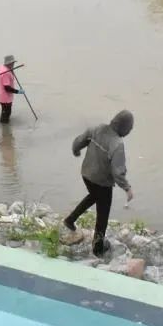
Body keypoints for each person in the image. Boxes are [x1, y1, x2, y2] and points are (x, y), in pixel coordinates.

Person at [63, 110, 135, 257]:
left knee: (93, 196)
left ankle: (70, 220)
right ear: (125, 128)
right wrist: (127, 188)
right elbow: (118, 171)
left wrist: (76, 150)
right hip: (102, 182)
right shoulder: (117, 144)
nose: (129, 131)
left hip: (86, 174)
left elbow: (79, 141)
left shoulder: (96, 129)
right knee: (103, 215)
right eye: (129, 128)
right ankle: (98, 247)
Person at [0, 55, 23, 124]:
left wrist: (11, 71)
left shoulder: (3, 67)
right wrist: (18, 91)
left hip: (3, 96)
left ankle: (4, 128)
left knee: (5, 112)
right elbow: (7, 88)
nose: (13, 64)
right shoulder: (6, 73)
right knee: (7, 113)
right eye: (12, 63)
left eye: (13, 63)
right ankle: (4, 127)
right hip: (5, 98)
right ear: (8, 63)